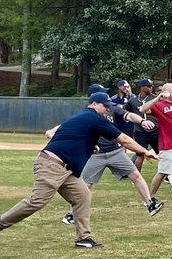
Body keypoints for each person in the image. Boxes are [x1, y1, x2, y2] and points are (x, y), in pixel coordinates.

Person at [0, 92, 157, 249]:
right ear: (94, 104)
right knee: (36, 202)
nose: (108, 110)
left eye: (109, 107)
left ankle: (83, 238)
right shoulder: (94, 118)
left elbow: (69, 136)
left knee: (83, 195)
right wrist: (144, 151)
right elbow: (124, 140)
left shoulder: (80, 117)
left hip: (66, 169)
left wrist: (89, 145)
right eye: (105, 107)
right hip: (52, 166)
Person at [61, 84, 164, 226]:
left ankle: (150, 205)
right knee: (86, 185)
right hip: (96, 155)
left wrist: (142, 120)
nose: (107, 96)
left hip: (115, 151)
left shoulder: (111, 108)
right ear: (94, 99)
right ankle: (71, 214)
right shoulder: (86, 115)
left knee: (136, 175)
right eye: (102, 94)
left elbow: (128, 115)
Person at [130, 79, 160, 172]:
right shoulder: (133, 100)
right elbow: (126, 111)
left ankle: (167, 175)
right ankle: (137, 176)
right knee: (140, 155)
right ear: (142, 87)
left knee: (162, 153)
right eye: (149, 86)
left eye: (152, 86)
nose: (151, 88)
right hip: (140, 131)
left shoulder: (155, 98)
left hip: (155, 130)